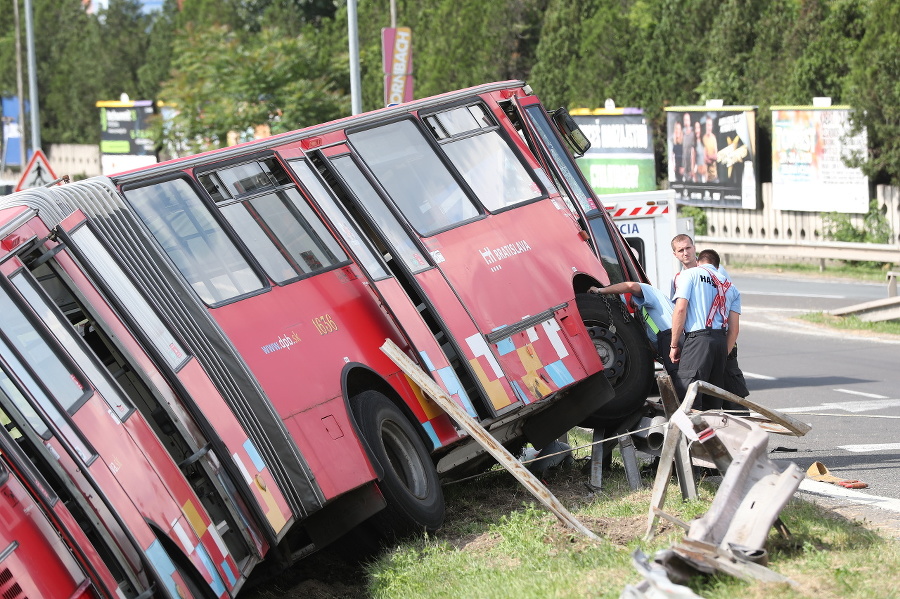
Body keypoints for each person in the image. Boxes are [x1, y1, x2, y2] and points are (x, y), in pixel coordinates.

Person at [669, 248, 733, 409]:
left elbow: (681, 309)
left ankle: (693, 434)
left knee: (689, 395)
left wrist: (674, 344)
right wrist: (723, 353)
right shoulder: (729, 285)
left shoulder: (690, 274)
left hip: (698, 339)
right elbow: (734, 329)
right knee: (712, 400)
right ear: (717, 266)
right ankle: (711, 433)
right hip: (720, 341)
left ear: (698, 262)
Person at [588, 281, 678, 379]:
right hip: (668, 341)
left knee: (682, 380)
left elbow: (630, 286)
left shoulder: (649, 291)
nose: (633, 307)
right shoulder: (648, 313)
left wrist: (600, 290)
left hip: (671, 338)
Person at [697, 250, 749, 408]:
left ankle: (743, 431)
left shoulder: (717, 272)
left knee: (733, 400)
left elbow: (732, 322)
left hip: (722, 344)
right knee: (704, 401)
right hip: (700, 347)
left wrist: (723, 355)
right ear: (675, 254)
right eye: (680, 250)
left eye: (688, 248)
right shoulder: (680, 277)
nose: (685, 253)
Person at [702, 115, 719, 183]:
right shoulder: (703, 138)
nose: (709, 127)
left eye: (710, 125)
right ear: (706, 126)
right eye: (708, 125)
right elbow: (704, 158)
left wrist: (709, 157)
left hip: (714, 175)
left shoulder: (713, 138)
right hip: (705, 177)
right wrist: (707, 158)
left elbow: (716, 156)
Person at [681, 113, 695, 182]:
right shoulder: (682, 133)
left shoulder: (693, 133)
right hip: (684, 163)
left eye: (687, 120)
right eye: (685, 120)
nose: (686, 122)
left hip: (691, 163)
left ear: (690, 121)